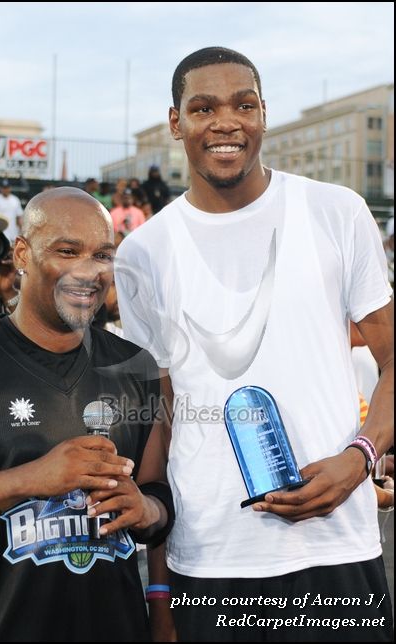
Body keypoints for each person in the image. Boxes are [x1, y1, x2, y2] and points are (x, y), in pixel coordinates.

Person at [115, 47, 394, 642]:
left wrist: (361, 458)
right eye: (203, 107)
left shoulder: (335, 212)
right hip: (209, 561)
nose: (226, 122)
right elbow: (160, 420)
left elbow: (392, 356)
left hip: (336, 552)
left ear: (264, 114)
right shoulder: (143, 253)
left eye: (244, 104)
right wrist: (159, 593)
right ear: (175, 122)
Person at [0, 187, 173, 642]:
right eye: (67, 251)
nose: (88, 272)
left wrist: (145, 509)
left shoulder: (139, 368)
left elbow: (162, 502)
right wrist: (30, 478)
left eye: (102, 254)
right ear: (22, 253)